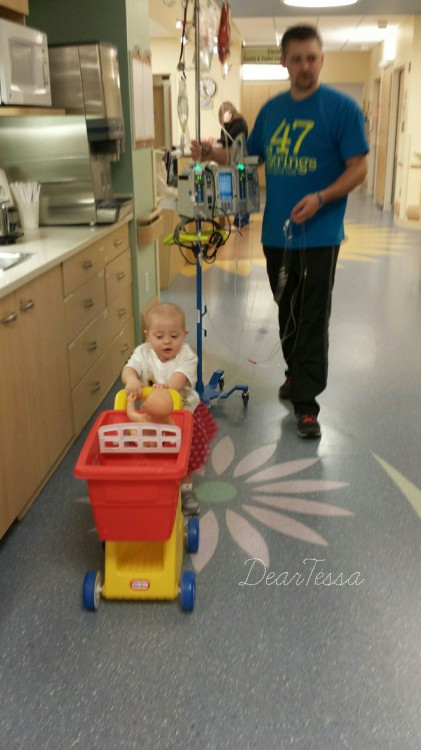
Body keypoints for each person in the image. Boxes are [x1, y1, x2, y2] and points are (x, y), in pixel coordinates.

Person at [191, 25, 368, 439]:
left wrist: (322, 198)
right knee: (286, 309)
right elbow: (246, 157)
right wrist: (210, 153)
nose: (305, 66)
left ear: (321, 60)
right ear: (284, 62)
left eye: (312, 58)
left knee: (311, 317)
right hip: (276, 235)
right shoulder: (272, 112)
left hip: (320, 235)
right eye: (297, 59)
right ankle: (295, 376)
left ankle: (307, 404)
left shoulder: (341, 109)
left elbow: (358, 167)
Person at [121, 302, 218, 514]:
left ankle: (186, 489)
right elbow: (129, 368)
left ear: (184, 334)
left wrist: (167, 388)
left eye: (174, 336)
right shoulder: (142, 353)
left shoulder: (187, 355)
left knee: (185, 455)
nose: (167, 341)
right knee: (150, 449)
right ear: (148, 335)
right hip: (151, 416)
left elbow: (180, 377)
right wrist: (131, 380)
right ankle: (152, 480)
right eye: (159, 336)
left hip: (183, 414)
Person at [215, 101, 250, 229]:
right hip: (233, 160)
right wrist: (216, 141)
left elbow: (229, 140)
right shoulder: (229, 124)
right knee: (238, 189)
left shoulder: (239, 123)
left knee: (240, 190)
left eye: (227, 112)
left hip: (239, 160)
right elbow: (224, 140)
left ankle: (240, 221)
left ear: (231, 112)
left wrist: (217, 141)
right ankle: (241, 220)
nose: (226, 115)